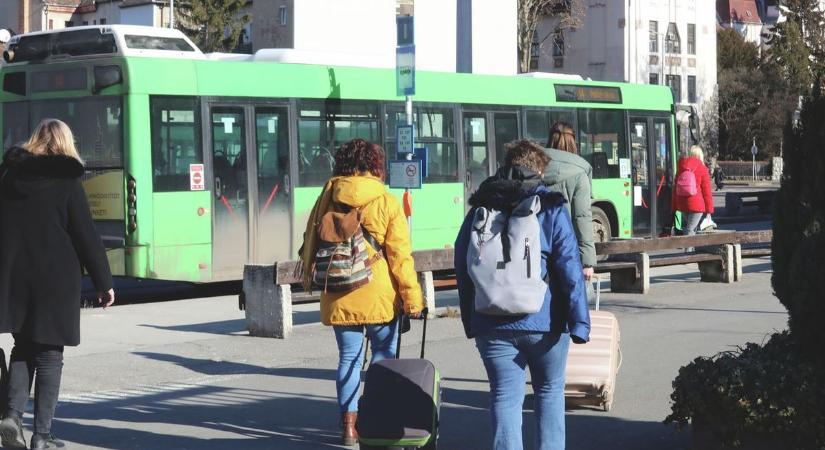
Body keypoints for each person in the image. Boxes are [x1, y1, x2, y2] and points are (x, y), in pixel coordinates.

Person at [455, 139, 590, 450]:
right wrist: (579, 323)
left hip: (491, 322)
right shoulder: (552, 208)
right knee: (550, 392)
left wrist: (470, 321)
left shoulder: (481, 207)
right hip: (544, 323)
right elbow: (570, 268)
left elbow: (462, 268)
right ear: (539, 171)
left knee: (504, 397)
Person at [299, 138, 424, 446]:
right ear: (375, 165)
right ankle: (378, 421)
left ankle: (349, 428)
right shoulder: (386, 201)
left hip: (340, 290)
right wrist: (412, 298)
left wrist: (307, 277)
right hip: (379, 293)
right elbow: (400, 256)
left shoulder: (327, 196)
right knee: (382, 360)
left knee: (349, 359)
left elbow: (309, 240)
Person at [0, 119, 115, 449]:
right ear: (66, 144)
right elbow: (85, 236)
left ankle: (11, 417)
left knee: (22, 347)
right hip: (55, 280)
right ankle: (43, 435)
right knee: (50, 355)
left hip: (13, 278)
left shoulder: (7, 176)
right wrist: (103, 282)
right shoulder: (67, 182)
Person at [545, 122, 597, 281]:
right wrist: (587, 262)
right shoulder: (580, 173)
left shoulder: (534, 168)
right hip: (567, 249)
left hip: (536, 248)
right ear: (574, 144)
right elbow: (582, 218)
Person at [672, 145, 714, 236]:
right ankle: (689, 250)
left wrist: (675, 206)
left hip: (682, 204)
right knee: (690, 230)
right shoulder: (702, 169)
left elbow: (675, 188)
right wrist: (709, 210)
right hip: (696, 205)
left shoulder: (681, 167)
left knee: (691, 228)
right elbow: (707, 192)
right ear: (700, 156)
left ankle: (691, 249)